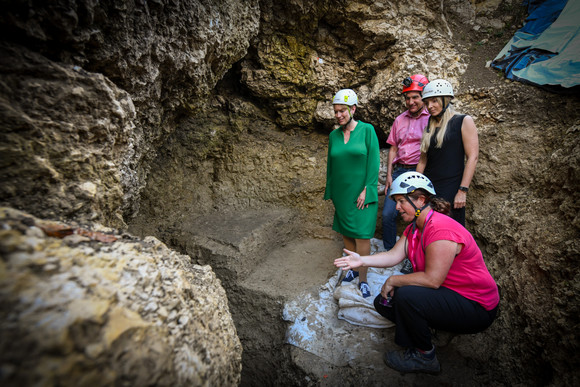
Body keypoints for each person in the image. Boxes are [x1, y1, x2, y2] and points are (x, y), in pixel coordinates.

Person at [334, 172, 499, 374]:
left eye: (401, 201)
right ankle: (427, 331)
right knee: (382, 302)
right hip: (451, 295)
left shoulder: (440, 230)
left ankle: (425, 356)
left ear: (421, 200)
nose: (396, 207)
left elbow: (432, 279)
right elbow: (393, 255)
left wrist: (395, 280)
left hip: (477, 306)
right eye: (396, 201)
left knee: (405, 294)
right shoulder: (415, 228)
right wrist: (361, 260)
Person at [324, 88, 380, 298]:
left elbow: (374, 162)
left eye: (342, 111)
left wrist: (368, 189)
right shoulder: (333, 135)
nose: (338, 115)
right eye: (336, 111)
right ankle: (351, 270)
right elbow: (331, 165)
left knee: (362, 235)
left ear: (353, 109)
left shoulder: (367, 130)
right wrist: (331, 192)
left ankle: (363, 278)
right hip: (342, 194)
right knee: (347, 233)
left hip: (363, 193)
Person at [416, 79, 479, 226]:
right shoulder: (429, 126)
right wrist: (417, 187)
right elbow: (423, 160)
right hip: (429, 187)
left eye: (434, 101)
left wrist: (462, 191)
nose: (430, 106)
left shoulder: (463, 121)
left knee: (449, 229)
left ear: (445, 100)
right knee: (427, 227)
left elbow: (472, 157)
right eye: (427, 103)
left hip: (451, 187)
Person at [382, 74, 430, 251]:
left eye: (415, 97)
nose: (411, 102)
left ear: (423, 96)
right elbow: (393, 148)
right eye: (408, 98)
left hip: (421, 172)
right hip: (399, 172)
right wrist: (388, 175)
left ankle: (416, 254)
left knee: (420, 215)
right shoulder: (399, 119)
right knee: (388, 214)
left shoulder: (430, 119)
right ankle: (390, 252)